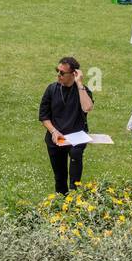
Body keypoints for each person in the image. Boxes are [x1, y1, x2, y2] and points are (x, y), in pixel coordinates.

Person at [40, 57, 95, 195]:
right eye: (57, 71)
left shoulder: (82, 90)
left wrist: (79, 83)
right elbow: (44, 116)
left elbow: (88, 107)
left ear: (74, 74)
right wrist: (53, 131)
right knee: (59, 178)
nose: (58, 75)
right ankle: (61, 202)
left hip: (77, 137)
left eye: (62, 73)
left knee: (76, 157)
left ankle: (74, 197)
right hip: (56, 137)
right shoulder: (51, 89)